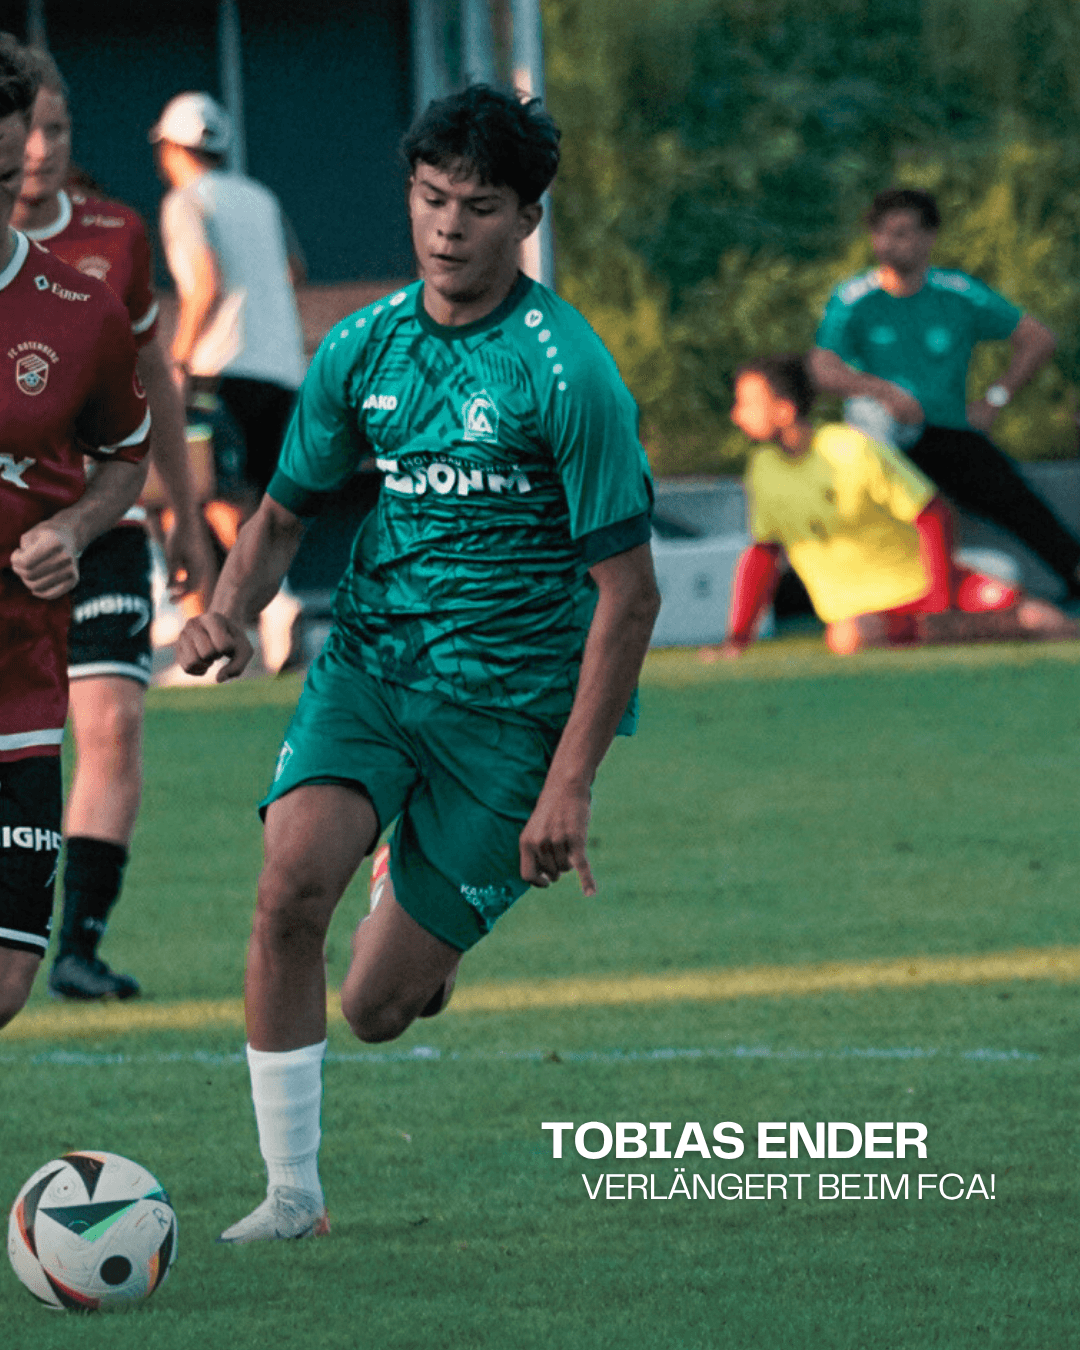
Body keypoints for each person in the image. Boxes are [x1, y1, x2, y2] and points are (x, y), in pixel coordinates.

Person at [176, 83, 660, 1243]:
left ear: (526, 219)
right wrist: (228, 610)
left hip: (511, 715)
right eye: (433, 198)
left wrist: (570, 784)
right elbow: (281, 517)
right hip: (374, 670)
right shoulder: (362, 347)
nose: (448, 227)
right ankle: (292, 1196)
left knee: (379, 1008)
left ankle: (414, 887)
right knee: (288, 888)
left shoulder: (567, 373)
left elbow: (631, 593)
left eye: (479, 207)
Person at [10, 44, 214, 1001]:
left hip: (100, 532)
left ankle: (77, 947)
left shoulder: (116, 238)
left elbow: (150, 383)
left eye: (57, 129)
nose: (42, 149)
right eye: (27, 131)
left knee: (114, 723)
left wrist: (184, 515)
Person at [0, 35, 151, 1030]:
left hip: (20, 675)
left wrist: (78, 524)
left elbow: (126, 455)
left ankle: (83, 946)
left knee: (7, 981)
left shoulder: (79, 308)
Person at [704, 355, 1075, 658]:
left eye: (746, 403)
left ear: (784, 410)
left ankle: (949, 630)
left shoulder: (852, 449)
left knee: (1040, 619)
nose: (737, 415)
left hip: (930, 595)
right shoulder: (762, 470)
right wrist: (738, 639)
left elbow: (933, 513)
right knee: (848, 637)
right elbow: (764, 554)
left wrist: (939, 604)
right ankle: (949, 634)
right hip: (864, 618)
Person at [809, 188, 1080, 599]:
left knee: (1012, 496)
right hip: (881, 443)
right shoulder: (855, 298)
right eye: (882, 233)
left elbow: (1038, 338)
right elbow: (821, 367)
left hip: (947, 432)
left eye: (902, 233)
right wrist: (882, 390)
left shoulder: (957, 293)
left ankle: (1070, 575)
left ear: (928, 237)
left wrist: (995, 399)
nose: (889, 244)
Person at [150, 91, 307, 673]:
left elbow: (205, 283)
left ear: (172, 149)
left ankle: (263, 613)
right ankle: (251, 624)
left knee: (200, 498)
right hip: (281, 370)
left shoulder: (185, 202)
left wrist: (177, 361)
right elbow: (293, 270)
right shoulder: (261, 197)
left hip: (218, 367)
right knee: (246, 502)